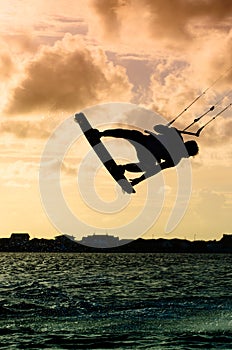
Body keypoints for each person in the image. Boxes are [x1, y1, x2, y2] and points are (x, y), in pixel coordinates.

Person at [96, 124, 199, 187]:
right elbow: (157, 128)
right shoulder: (176, 140)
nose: (186, 157)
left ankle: (122, 168)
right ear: (186, 148)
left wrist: (139, 180)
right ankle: (101, 134)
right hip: (145, 142)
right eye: (187, 154)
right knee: (131, 134)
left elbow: (155, 169)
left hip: (147, 152)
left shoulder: (176, 158)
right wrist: (168, 130)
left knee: (147, 164)